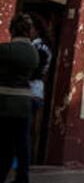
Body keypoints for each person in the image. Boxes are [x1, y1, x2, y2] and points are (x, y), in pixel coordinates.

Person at [1, 14, 39, 183]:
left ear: (12, 29)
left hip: (5, 101)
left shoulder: (6, 50)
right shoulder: (33, 53)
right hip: (24, 101)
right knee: (21, 142)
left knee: (5, 144)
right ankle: (22, 177)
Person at [28, 13, 52, 159]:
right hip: (38, 91)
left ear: (35, 30)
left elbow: (32, 69)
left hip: (30, 91)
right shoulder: (47, 47)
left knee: (22, 132)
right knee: (26, 130)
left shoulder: (36, 46)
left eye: (29, 29)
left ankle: (21, 166)